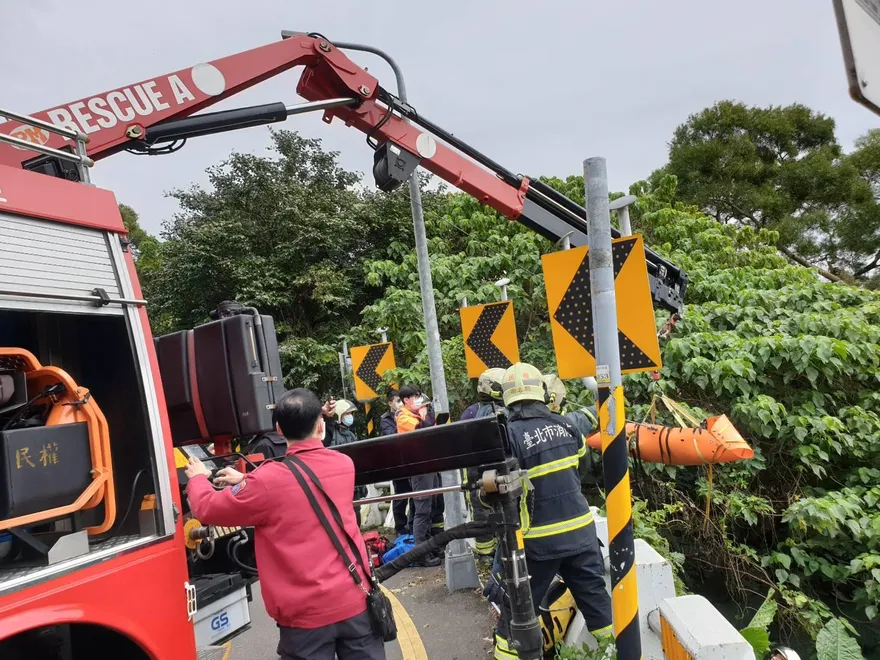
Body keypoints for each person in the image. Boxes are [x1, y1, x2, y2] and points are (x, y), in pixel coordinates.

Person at [184, 388, 386, 660]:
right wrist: (248, 481)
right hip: (355, 601)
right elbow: (297, 484)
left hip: (305, 620)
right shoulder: (344, 465)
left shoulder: (266, 482)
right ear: (320, 424)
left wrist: (198, 478)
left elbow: (207, 508)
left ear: (279, 429)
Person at [492, 363, 612, 659]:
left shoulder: (508, 437)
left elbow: (496, 493)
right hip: (581, 535)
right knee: (599, 607)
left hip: (537, 543)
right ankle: (614, 652)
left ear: (507, 399)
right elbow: (583, 467)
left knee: (516, 615)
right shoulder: (567, 426)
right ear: (543, 393)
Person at [396, 384, 443, 568]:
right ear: (406, 400)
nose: (418, 399)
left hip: (430, 465)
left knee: (433, 506)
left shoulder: (417, 415)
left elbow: (435, 430)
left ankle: (429, 546)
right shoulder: (403, 417)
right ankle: (419, 553)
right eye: (415, 396)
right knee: (422, 509)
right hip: (419, 468)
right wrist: (424, 415)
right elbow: (422, 430)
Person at [461, 367, 507, 558]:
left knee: (482, 510)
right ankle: (490, 553)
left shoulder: (470, 412)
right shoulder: (506, 411)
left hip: (476, 469)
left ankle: (489, 554)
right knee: (488, 510)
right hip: (489, 468)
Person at [324, 398, 368, 526]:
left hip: (353, 484)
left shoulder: (350, 434)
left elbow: (357, 459)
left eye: (351, 414)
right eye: (347, 414)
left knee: (356, 515)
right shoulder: (331, 436)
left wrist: (361, 485)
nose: (350, 417)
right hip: (338, 483)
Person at [380, 388, 414, 535]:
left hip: (410, 459)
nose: (400, 404)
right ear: (390, 403)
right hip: (396, 462)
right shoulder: (386, 419)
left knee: (415, 495)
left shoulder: (409, 414)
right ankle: (400, 527)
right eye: (397, 401)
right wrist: (400, 421)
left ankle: (413, 525)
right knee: (400, 496)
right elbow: (392, 436)